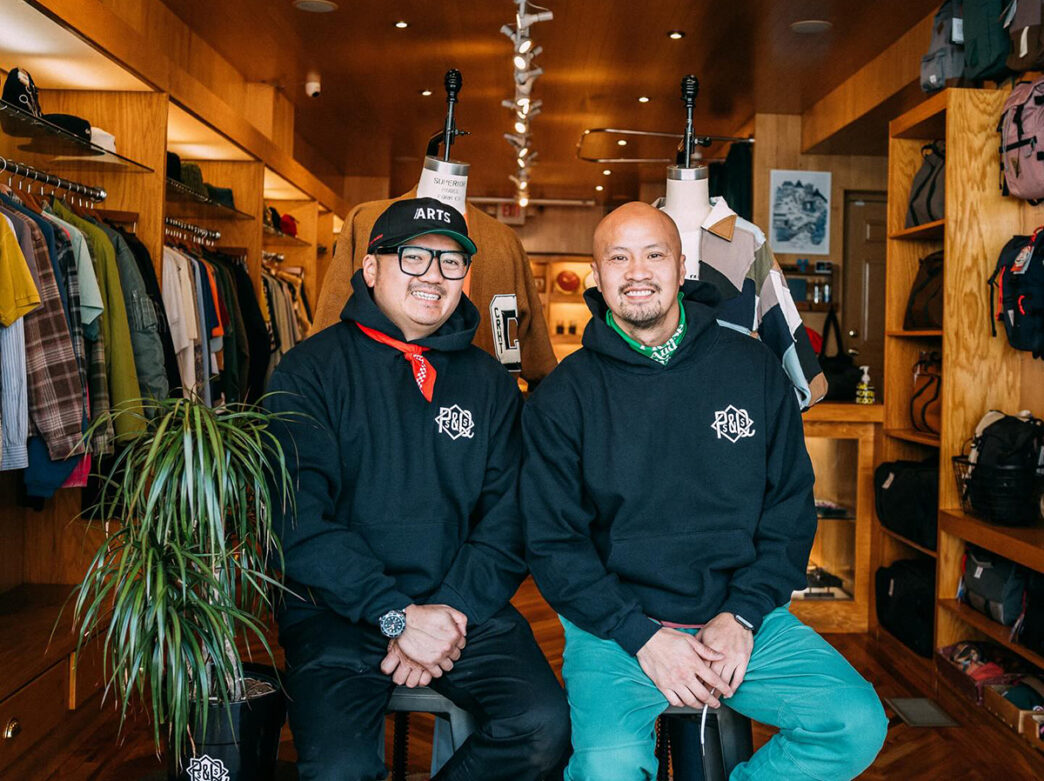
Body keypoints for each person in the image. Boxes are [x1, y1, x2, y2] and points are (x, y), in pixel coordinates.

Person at [522, 201, 887, 780]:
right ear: (597, 274)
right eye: (618, 257)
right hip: (615, 628)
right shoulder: (563, 397)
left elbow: (789, 510)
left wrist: (742, 615)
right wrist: (639, 635)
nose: (637, 271)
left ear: (682, 265)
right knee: (607, 770)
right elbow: (552, 543)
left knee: (854, 722)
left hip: (740, 618)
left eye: (653, 254)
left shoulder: (754, 369)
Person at [267, 197, 569, 780]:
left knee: (543, 725)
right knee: (338, 768)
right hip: (336, 612)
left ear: (466, 280)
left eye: (451, 262)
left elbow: (511, 518)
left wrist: (449, 612)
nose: (433, 275)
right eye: (414, 257)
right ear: (372, 268)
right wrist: (396, 616)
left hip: (463, 609)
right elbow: (297, 519)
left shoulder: (492, 385)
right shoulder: (308, 372)